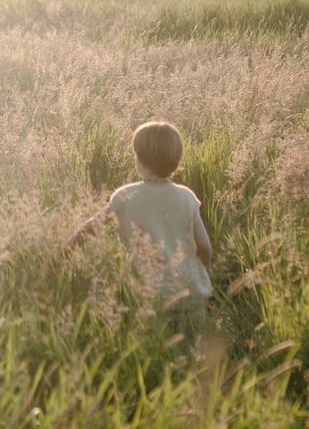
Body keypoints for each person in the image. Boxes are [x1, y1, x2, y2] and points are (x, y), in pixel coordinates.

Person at [75, 120, 213, 316]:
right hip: (191, 291)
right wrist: (205, 268)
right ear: (176, 161)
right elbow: (204, 245)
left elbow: (92, 227)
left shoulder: (125, 196)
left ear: (139, 160)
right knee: (194, 341)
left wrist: (67, 249)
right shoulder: (186, 196)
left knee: (155, 343)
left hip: (148, 295)